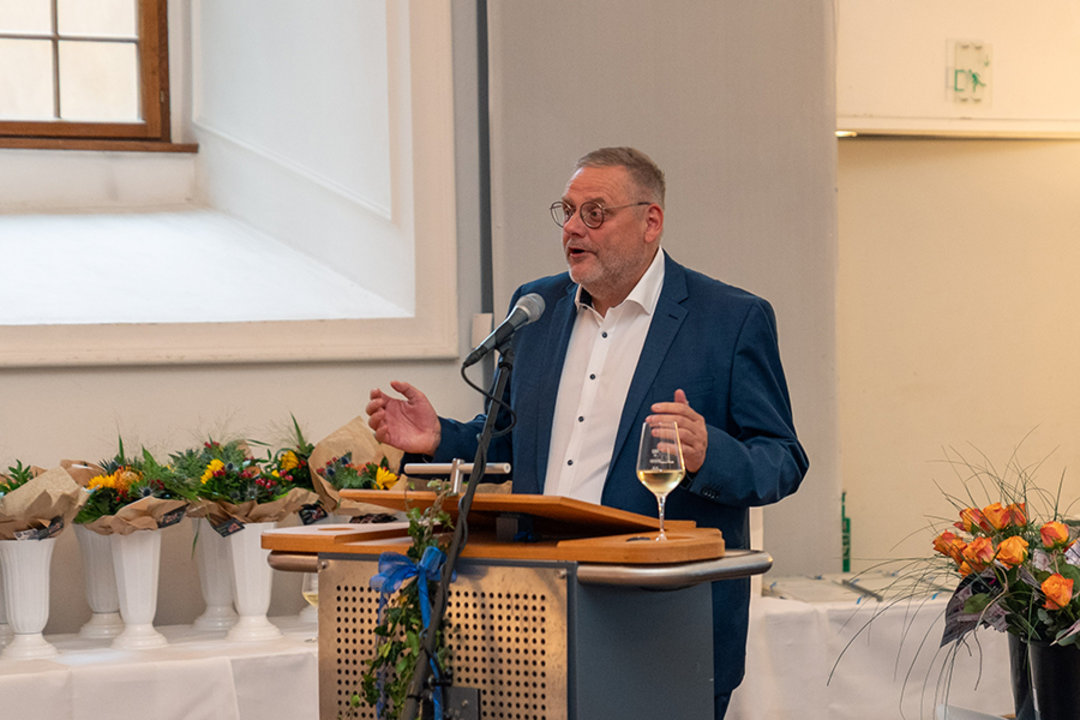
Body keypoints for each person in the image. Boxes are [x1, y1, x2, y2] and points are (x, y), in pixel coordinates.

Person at [367, 146, 809, 719]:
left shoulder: (728, 319)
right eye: (568, 211)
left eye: (595, 213)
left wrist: (708, 453)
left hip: (663, 621)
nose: (573, 228)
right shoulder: (538, 307)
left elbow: (782, 459)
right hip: (532, 611)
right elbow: (508, 441)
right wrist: (439, 439)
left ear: (651, 222)